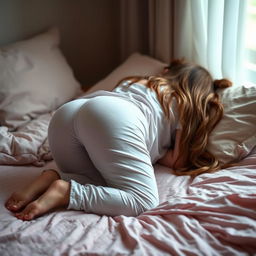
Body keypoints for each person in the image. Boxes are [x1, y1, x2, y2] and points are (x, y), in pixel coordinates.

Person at [5, 59, 232, 221]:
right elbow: (179, 160)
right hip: (115, 117)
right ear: (201, 93)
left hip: (70, 113)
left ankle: (54, 177)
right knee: (143, 201)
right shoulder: (184, 102)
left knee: (97, 180)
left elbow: (100, 130)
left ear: (167, 71)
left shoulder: (140, 82)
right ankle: (66, 192)